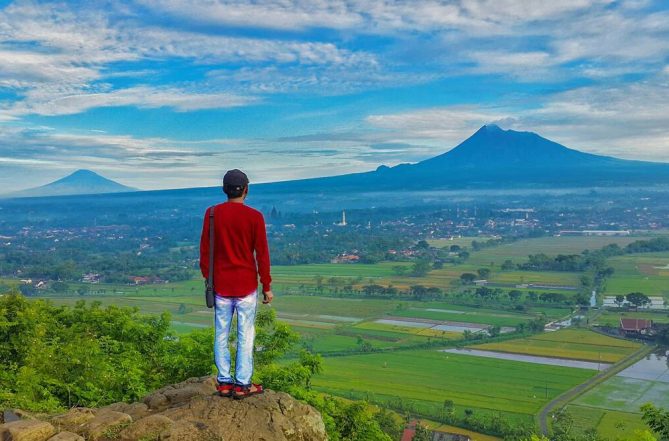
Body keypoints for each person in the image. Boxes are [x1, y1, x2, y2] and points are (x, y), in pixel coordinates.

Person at [199, 169, 274, 399]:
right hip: (246, 287)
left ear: (224, 189)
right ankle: (242, 384)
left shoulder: (211, 214)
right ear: (246, 190)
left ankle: (224, 382)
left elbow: (204, 253)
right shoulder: (255, 217)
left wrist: (209, 279)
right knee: (245, 334)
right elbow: (262, 254)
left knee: (221, 333)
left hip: (221, 287)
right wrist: (267, 286)